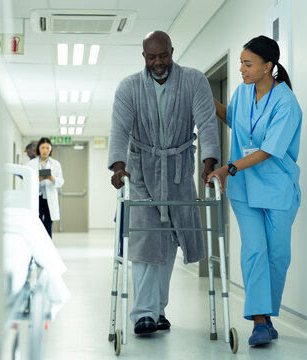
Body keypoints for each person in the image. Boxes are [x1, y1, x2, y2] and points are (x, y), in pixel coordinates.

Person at [108, 30, 220, 335]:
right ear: (143, 56)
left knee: (169, 241)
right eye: (152, 57)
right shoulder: (129, 87)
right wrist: (118, 169)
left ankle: (158, 310)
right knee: (145, 240)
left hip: (179, 170)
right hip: (141, 172)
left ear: (172, 50)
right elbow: (119, 129)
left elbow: (207, 122)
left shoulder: (194, 80)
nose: (159, 62)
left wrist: (209, 164)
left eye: (164, 55)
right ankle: (144, 313)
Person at [207, 35, 302, 346]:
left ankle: (267, 314)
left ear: (267, 66)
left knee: (277, 256)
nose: (241, 69)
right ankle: (259, 321)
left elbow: (268, 150)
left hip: (277, 188)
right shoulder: (243, 92)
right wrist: (202, 95)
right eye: (241, 63)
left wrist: (228, 167)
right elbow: (232, 118)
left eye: (247, 64)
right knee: (254, 251)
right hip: (245, 189)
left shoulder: (286, 101)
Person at [26, 137, 64, 238]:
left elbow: (61, 181)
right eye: (43, 147)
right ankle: (36, 250)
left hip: (49, 198)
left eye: (47, 148)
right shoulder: (31, 164)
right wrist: (36, 179)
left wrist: (52, 178)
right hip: (36, 198)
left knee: (48, 225)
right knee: (37, 224)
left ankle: (47, 251)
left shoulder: (55, 164)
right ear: (39, 149)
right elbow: (26, 180)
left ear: (50, 149)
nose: (45, 150)